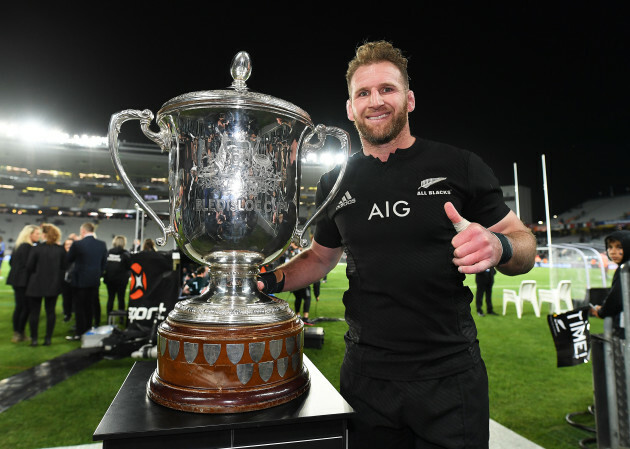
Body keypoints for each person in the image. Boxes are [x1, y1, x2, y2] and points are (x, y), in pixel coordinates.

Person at [258, 41, 536, 449]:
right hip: (366, 379)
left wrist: (499, 247)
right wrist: (267, 280)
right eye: (363, 93)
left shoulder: (458, 165)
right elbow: (320, 258)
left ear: (409, 99)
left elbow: (524, 243)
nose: (375, 101)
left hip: (449, 376)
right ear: (351, 108)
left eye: (387, 89)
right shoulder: (335, 182)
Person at [25, 223, 66, 346]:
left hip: (36, 284)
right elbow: (64, 267)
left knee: (34, 313)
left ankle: (34, 339)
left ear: (44, 235)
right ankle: (48, 339)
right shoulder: (60, 250)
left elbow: (29, 267)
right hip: (53, 285)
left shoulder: (36, 248)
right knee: (50, 312)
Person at [65, 222, 107, 340]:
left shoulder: (78, 244)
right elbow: (104, 263)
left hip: (80, 281)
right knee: (89, 307)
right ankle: (89, 330)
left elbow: (69, 258)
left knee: (79, 308)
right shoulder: (102, 244)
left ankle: (80, 332)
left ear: (83, 231)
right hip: (94, 280)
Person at [590, 230, 630, 338]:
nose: (613, 251)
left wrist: (602, 312)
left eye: (619, 247)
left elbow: (616, 298)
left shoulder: (625, 269)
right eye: (610, 247)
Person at [6, 225, 41, 342]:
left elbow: (11, 262)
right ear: (29, 234)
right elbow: (29, 265)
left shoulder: (18, 246)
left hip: (16, 280)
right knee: (25, 308)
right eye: (36, 233)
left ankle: (18, 332)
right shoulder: (28, 247)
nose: (38, 235)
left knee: (20, 307)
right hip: (24, 281)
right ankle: (19, 332)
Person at [103, 235, 131, 316]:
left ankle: (109, 316)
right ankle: (121, 318)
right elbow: (130, 267)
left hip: (110, 279)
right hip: (121, 280)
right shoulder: (125, 254)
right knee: (121, 298)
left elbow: (105, 265)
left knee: (110, 298)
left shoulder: (108, 252)